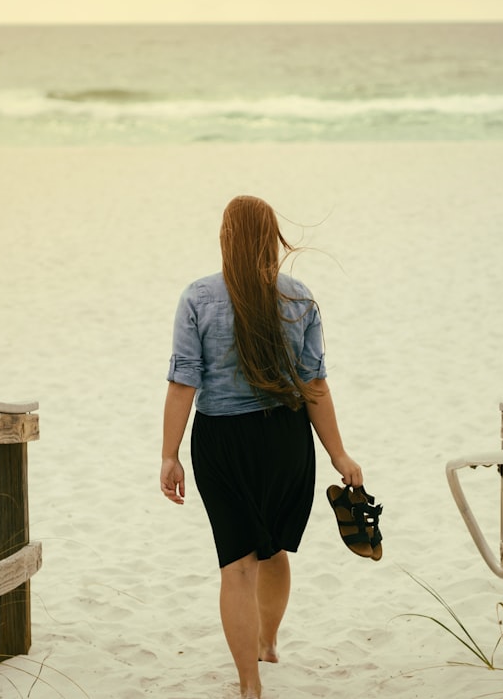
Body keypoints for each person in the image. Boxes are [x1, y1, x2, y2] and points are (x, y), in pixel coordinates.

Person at [160, 195, 364, 699]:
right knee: (272, 550)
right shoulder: (298, 298)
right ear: (272, 238)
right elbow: (315, 385)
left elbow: (183, 382)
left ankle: (250, 684)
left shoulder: (197, 297)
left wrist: (170, 453)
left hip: (221, 443)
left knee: (238, 563)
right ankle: (267, 643)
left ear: (226, 239)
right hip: (286, 441)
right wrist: (339, 454)